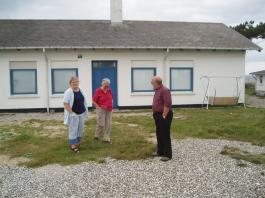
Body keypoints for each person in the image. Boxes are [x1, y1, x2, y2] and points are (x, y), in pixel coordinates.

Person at [63, 76, 88, 153]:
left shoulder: (80, 90)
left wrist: (85, 111)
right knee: (73, 129)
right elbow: (65, 103)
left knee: (80, 129)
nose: (75, 83)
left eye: (77, 82)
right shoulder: (68, 92)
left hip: (81, 113)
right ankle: (73, 145)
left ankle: (77, 142)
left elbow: (83, 101)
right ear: (70, 83)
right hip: (73, 114)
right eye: (73, 82)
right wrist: (71, 113)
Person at [151, 76, 173, 162]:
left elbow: (167, 104)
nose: (152, 85)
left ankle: (168, 154)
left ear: (157, 83)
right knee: (159, 133)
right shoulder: (157, 90)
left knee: (165, 134)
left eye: (152, 83)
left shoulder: (165, 90)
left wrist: (163, 116)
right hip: (157, 114)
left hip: (164, 115)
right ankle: (160, 151)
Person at [92, 78, 113, 144]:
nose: (106, 87)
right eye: (105, 85)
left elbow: (111, 98)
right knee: (101, 124)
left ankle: (106, 138)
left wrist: (111, 104)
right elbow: (93, 101)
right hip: (101, 109)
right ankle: (97, 134)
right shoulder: (98, 91)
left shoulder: (109, 90)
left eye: (108, 85)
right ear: (102, 84)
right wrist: (98, 107)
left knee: (108, 124)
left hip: (109, 109)